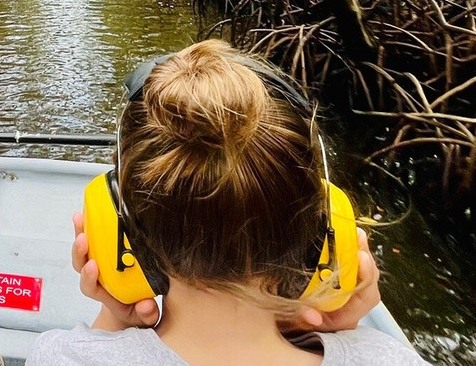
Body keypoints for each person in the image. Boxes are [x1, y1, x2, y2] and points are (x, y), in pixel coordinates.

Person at [28, 40, 430, 366]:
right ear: (324, 229)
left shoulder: (64, 358)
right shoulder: (389, 358)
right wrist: (336, 327)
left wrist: (117, 315)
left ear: (117, 228)